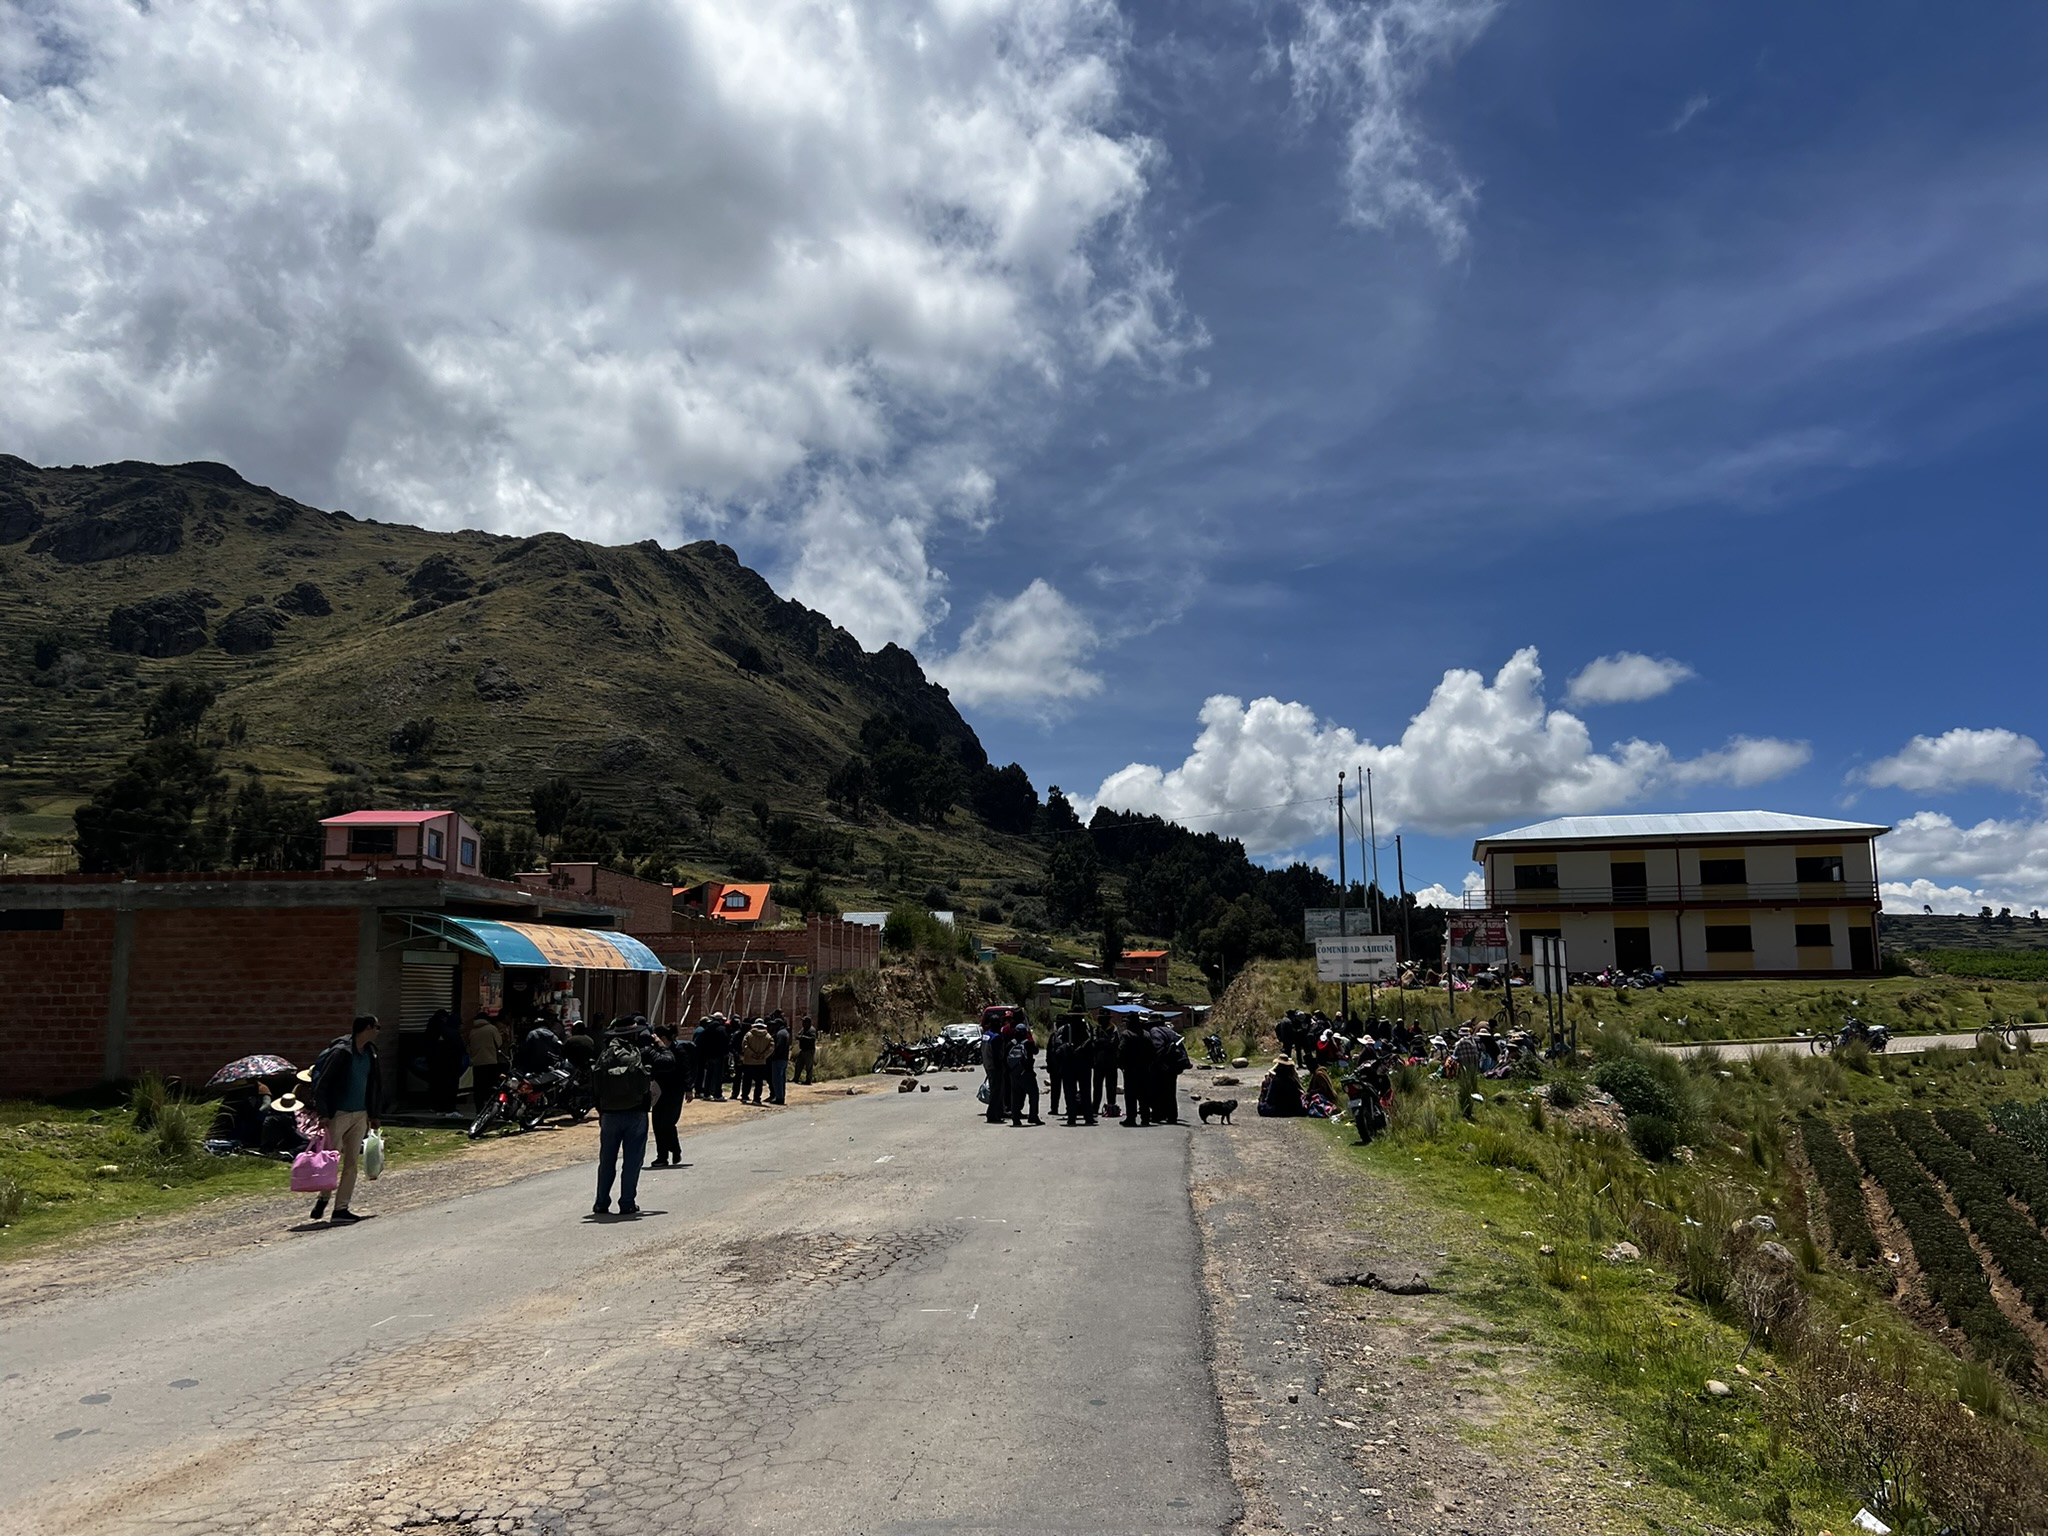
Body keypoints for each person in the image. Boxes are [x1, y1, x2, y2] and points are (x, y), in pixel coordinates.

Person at [307, 1015, 383, 1224]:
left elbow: (374, 1085)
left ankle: (341, 1209)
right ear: (366, 1028)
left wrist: (374, 1114)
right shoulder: (341, 1052)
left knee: (351, 1163)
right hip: (338, 1114)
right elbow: (323, 1084)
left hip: (361, 1114)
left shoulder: (371, 1053)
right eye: (376, 1027)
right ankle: (323, 1198)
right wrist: (323, 1114)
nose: (378, 1031)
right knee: (330, 1161)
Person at [593, 1025, 656, 1216]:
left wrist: (601, 1110)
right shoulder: (641, 1052)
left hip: (609, 1114)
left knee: (606, 1160)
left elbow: (596, 1085)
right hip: (635, 1113)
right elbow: (667, 1062)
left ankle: (601, 1202)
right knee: (632, 1161)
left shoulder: (604, 1056)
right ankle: (627, 1202)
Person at [645, 1025, 689, 1167]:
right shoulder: (656, 1052)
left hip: (674, 1092)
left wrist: (689, 1089)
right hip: (658, 1091)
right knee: (658, 1124)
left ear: (663, 1038)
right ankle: (662, 1157)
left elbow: (685, 1070)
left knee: (668, 1123)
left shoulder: (678, 1051)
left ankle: (675, 1149)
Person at [424, 1007, 465, 1114]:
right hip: (451, 1065)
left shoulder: (439, 1031)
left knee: (438, 1085)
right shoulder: (452, 1034)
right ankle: (449, 1108)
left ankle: (438, 1107)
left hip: (439, 1063)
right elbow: (459, 1048)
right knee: (450, 1087)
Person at [1118, 1015, 1154, 1128]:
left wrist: (1121, 1065)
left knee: (1131, 1095)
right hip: (1144, 1069)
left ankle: (1131, 1118)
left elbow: (1121, 1050)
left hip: (1131, 1069)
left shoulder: (1126, 1034)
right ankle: (1145, 1118)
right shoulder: (1146, 1034)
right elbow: (1153, 1051)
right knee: (1144, 1095)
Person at [1147, 1018, 1186, 1125]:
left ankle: (1157, 1115)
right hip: (1173, 1066)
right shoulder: (1170, 1031)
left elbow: (1158, 1048)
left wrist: (1158, 1064)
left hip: (1162, 1067)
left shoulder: (1155, 1031)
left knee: (1156, 1091)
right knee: (1170, 1092)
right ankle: (1172, 1116)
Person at [1058, 1014, 1094, 1127]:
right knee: (1085, 1092)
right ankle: (1088, 1117)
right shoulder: (1087, 1028)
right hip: (1082, 1065)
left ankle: (1072, 1117)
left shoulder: (1065, 1028)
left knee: (1070, 1092)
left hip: (1071, 1064)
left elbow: (1057, 1045)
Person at [467, 1012, 503, 1116]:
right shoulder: (491, 1029)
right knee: (491, 1086)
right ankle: (491, 1110)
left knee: (478, 1088)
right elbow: (499, 1043)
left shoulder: (472, 1031)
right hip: (490, 1061)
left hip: (477, 1063)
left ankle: (479, 1110)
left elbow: (469, 1046)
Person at [1005, 1020, 1041, 1126]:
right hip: (1027, 1073)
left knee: (1015, 1096)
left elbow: (1004, 1057)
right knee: (1033, 1094)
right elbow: (1036, 1051)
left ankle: (1015, 1118)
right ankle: (1033, 1116)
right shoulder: (1028, 1044)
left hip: (1014, 1073)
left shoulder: (1010, 1044)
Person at [738, 1016, 775, 1104]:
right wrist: (762, 1056)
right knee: (759, 1082)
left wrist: (752, 1054)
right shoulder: (768, 1036)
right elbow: (771, 1048)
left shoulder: (748, 1035)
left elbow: (744, 1046)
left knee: (747, 1080)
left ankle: (744, 1096)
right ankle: (756, 1099)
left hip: (748, 1062)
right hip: (760, 1063)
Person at [1092, 1014, 1120, 1120]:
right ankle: (1095, 1108)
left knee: (1111, 1087)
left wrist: (1101, 1042)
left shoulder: (1113, 1029)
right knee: (1097, 1087)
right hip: (1098, 1063)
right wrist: (1104, 1042)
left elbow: (1113, 1044)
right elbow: (1094, 1042)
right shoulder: (1096, 1030)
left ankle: (1111, 1106)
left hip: (1111, 1063)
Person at [695, 1014, 727, 1101]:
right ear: (720, 1020)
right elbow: (725, 1042)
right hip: (719, 1055)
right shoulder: (721, 1029)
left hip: (709, 1055)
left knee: (709, 1075)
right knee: (718, 1076)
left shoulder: (707, 1029)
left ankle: (706, 1094)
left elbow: (702, 1041)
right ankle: (717, 1095)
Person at [767, 1012, 792, 1105]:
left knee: (777, 1079)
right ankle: (781, 1096)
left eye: (775, 1025)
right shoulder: (785, 1032)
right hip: (784, 1059)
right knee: (781, 1080)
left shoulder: (780, 1033)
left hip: (778, 1059)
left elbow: (778, 1047)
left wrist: (772, 1056)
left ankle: (779, 1098)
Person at [793, 1014, 818, 1085]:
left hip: (809, 1050)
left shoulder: (811, 1030)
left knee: (808, 1066)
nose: (803, 1023)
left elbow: (813, 1038)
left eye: (804, 1022)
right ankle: (796, 1078)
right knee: (798, 1064)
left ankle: (808, 1080)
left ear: (808, 1023)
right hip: (802, 1050)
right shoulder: (803, 1029)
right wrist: (798, 1037)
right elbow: (798, 1035)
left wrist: (803, 1038)